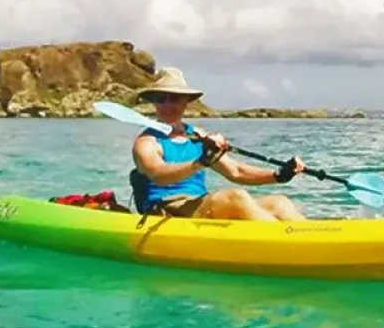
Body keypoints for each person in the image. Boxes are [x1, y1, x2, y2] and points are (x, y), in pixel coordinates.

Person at [129, 67, 308, 220]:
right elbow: (158, 175)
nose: (168, 105)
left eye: (174, 99)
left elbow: (236, 172)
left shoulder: (198, 135)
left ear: (186, 103)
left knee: (279, 203)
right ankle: (288, 242)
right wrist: (200, 163)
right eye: (161, 99)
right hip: (166, 209)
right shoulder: (146, 142)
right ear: (154, 103)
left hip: (198, 203)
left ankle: (311, 236)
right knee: (234, 197)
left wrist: (278, 175)